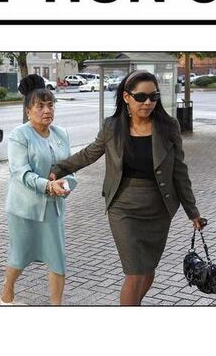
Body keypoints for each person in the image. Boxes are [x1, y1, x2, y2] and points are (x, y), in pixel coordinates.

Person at [50, 69, 205, 306]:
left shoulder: (168, 126)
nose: (148, 103)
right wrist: (58, 169)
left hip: (159, 209)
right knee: (134, 272)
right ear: (126, 97)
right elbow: (89, 154)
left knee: (148, 270)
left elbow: (179, 172)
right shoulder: (113, 127)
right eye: (140, 97)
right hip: (123, 207)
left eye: (153, 97)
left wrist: (192, 211)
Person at [1, 76, 76, 305]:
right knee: (20, 256)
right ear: (28, 110)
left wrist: (67, 185)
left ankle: (56, 306)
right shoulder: (19, 135)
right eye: (40, 105)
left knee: (57, 260)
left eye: (50, 105)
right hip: (24, 209)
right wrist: (47, 185)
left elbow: (69, 169)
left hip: (53, 210)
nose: (47, 110)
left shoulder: (61, 133)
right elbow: (20, 172)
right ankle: (8, 285)